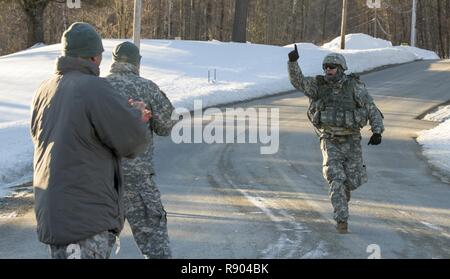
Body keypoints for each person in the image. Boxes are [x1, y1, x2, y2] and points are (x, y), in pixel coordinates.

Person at [30, 22, 151, 259]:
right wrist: (137, 115)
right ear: (94, 57)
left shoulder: (44, 90)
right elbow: (132, 141)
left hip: (53, 212)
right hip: (84, 218)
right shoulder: (94, 88)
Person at [287, 45, 384, 233]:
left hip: (352, 139)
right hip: (329, 139)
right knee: (336, 178)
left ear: (341, 68)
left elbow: (371, 108)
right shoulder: (318, 86)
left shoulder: (354, 86)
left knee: (353, 180)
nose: (328, 70)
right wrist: (293, 63)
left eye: (332, 67)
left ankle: (343, 195)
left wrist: (377, 131)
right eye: (326, 67)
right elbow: (298, 82)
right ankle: (342, 220)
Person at [106, 42, 178, 259]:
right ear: (137, 62)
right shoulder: (147, 87)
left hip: (102, 181)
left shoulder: (98, 87)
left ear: (113, 61)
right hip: (139, 182)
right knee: (156, 246)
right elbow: (167, 125)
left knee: (94, 247)